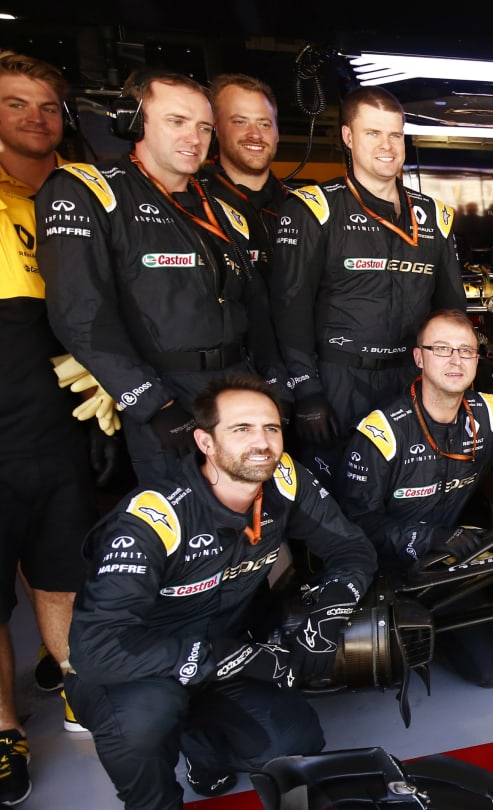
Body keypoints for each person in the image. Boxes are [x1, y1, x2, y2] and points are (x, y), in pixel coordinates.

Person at [65, 373, 377, 809]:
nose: (262, 442)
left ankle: (204, 751)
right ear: (205, 442)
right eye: (241, 429)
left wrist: (329, 612)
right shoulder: (155, 518)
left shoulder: (284, 479)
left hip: (222, 655)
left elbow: (351, 548)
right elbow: (94, 651)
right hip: (133, 672)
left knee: (296, 741)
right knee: (146, 719)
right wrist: (225, 656)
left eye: (271, 428)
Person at [37, 68, 285, 484]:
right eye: (176, 122)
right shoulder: (88, 191)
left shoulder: (222, 209)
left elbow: (255, 306)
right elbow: (80, 313)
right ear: (135, 123)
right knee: (186, 526)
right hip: (167, 391)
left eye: (204, 127)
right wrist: (153, 405)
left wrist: (274, 385)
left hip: (240, 388)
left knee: (256, 513)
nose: (193, 137)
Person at [342, 310, 493, 687]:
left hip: (449, 560)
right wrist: (428, 536)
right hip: (388, 570)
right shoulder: (381, 432)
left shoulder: (488, 411)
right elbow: (354, 525)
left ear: (477, 361)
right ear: (419, 358)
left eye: (466, 351)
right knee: (385, 669)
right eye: (442, 349)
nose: (455, 360)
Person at [0, 49, 105, 804]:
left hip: (73, 424)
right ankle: (4, 731)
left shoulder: (88, 191)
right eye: (15, 104)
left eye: (46, 105)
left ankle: (70, 680)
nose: (35, 118)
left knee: (64, 568)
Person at [270, 86, 465, 486]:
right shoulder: (314, 209)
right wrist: (307, 390)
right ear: (348, 137)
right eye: (372, 133)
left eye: (395, 135)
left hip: (412, 380)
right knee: (340, 496)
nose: (387, 146)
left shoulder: (435, 216)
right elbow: (290, 310)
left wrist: (454, 377)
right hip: (340, 379)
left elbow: (452, 313)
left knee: (413, 487)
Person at [202, 74, 288, 276]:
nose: (255, 134)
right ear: (216, 128)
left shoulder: (299, 207)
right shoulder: (196, 202)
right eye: (240, 122)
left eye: (264, 124)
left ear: (277, 133)